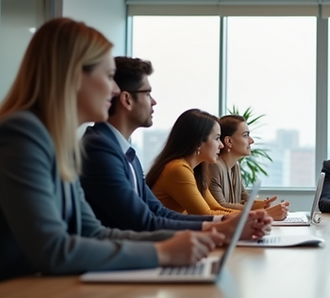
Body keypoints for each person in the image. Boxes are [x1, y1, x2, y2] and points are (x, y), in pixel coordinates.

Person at [0, 18, 218, 298]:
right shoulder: (19, 135)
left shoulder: (59, 143)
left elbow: (95, 233)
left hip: (10, 296)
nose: (114, 90)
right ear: (73, 76)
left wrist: (190, 237)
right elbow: (52, 250)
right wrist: (161, 252)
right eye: (109, 77)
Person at [79, 57, 270, 237]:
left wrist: (222, 222)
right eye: (147, 93)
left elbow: (158, 212)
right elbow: (141, 222)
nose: (154, 102)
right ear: (127, 99)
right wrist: (219, 226)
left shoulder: (128, 153)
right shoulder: (100, 149)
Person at [148, 109, 239, 217]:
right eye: (217, 138)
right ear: (198, 142)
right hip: (164, 233)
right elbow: (205, 214)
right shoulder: (178, 169)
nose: (221, 145)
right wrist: (252, 216)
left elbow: (215, 208)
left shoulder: (195, 169)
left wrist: (254, 214)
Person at [209, 114, 289, 220]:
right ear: (229, 141)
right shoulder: (214, 167)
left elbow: (245, 198)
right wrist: (264, 212)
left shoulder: (235, 166)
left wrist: (262, 204)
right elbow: (221, 207)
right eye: (245, 135)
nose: (251, 141)